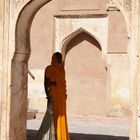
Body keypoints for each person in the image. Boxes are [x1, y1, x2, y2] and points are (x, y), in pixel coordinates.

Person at [37, 52, 70, 140]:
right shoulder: (49, 68)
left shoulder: (62, 69)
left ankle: (61, 136)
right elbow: (45, 83)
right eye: (57, 58)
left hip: (62, 98)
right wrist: (48, 95)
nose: (59, 59)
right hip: (53, 96)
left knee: (62, 116)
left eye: (60, 58)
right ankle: (52, 136)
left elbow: (63, 83)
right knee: (52, 116)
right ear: (54, 58)